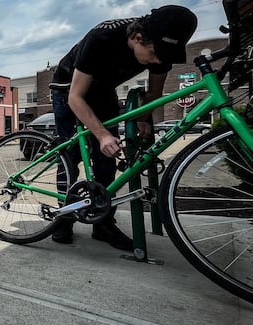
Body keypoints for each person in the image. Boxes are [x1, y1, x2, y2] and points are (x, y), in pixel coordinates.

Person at [48, 5, 197, 251]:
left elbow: (154, 94)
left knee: (107, 158)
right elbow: (76, 97)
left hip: (104, 89)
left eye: (164, 57)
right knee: (69, 157)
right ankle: (64, 217)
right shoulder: (103, 37)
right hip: (68, 88)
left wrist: (142, 119)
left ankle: (103, 222)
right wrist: (102, 134)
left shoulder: (159, 47)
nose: (158, 62)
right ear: (137, 38)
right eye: (154, 55)